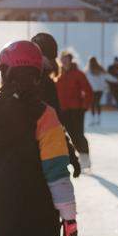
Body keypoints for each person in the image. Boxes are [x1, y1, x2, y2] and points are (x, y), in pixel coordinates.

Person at [0, 40, 77, 236]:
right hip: (40, 229)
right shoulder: (44, 114)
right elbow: (57, 174)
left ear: (5, 73)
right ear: (37, 74)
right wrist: (69, 219)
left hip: (4, 226)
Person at [31, 32, 82, 178]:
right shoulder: (43, 84)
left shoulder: (16, 81)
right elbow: (56, 122)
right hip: (38, 157)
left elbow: (56, 122)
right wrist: (71, 156)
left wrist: (71, 155)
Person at [56, 52, 94, 171]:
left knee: (78, 134)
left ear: (70, 60)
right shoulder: (58, 75)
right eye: (62, 59)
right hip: (63, 111)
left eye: (66, 59)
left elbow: (88, 91)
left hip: (76, 110)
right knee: (70, 136)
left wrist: (84, 106)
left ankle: (85, 159)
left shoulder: (78, 74)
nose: (64, 61)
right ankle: (77, 157)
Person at [85, 56, 108, 126]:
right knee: (97, 103)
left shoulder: (88, 70)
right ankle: (98, 119)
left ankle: (93, 119)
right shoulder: (100, 69)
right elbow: (107, 77)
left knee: (92, 104)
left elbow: (84, 78)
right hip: (99, 90)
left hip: (93, 89)